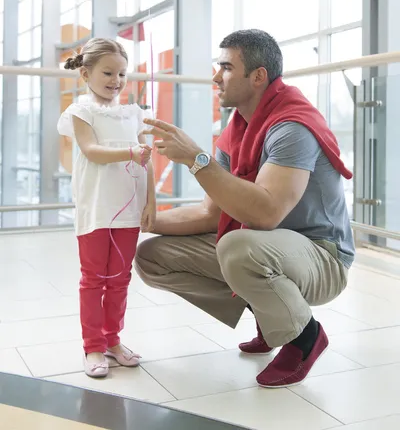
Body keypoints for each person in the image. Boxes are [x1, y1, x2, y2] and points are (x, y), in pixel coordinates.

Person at [135, 29, 355, 389]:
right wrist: (144, 221)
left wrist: (196, 159)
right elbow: (210, 214)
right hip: (270, 249)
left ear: (258, 76)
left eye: (225, 67)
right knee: (153, 256)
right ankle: (273, 318)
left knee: (238, 247)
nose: (215, 77)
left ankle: (305, 337)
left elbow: (266, 212)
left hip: (322, 256)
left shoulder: (292, 126)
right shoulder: (236, 130)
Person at [57, 38, 155, 378]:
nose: (116, 80)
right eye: (108, 72)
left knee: (120, 279)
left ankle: (113, 341)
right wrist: (129, 152)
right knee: (93, 279)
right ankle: (93, 346)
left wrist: (150, 203)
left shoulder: (135, 114)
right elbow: (92, 150)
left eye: (122, 74)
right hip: (96, 209)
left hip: (128, 210)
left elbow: (149, 162)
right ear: (86, 73)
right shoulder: (80, 112)